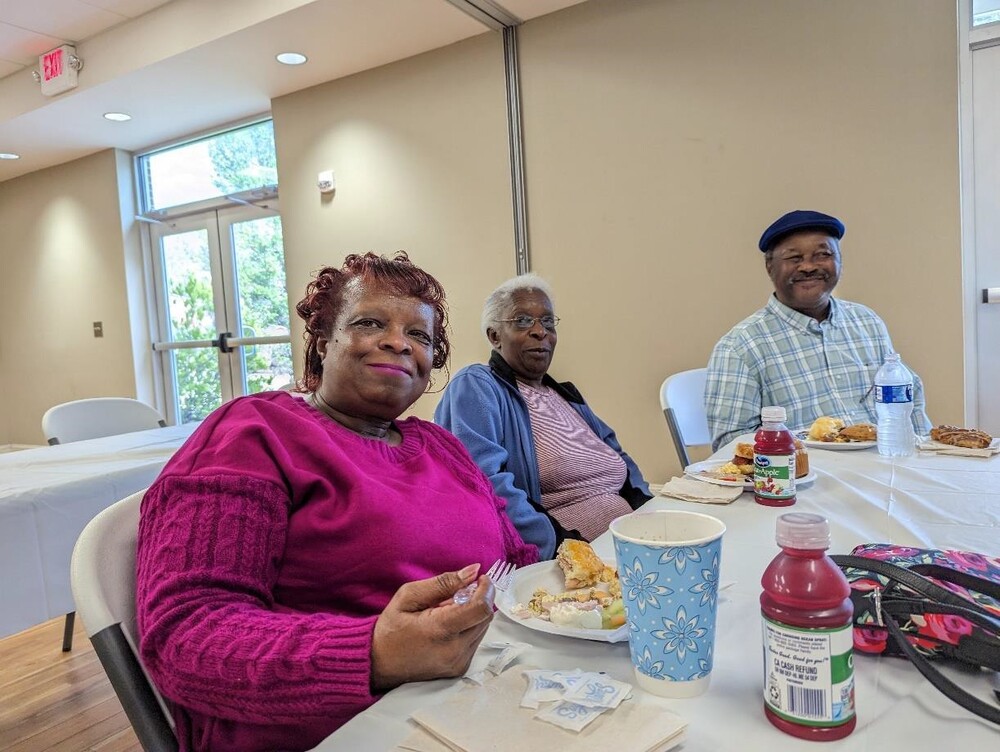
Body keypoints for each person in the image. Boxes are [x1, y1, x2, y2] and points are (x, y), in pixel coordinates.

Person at [135, 252, 538, 752]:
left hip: (481, 692)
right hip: (340, 725)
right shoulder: (254, 435)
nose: (398, 342)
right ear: (324, 344)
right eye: (370, 323)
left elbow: (518, 562)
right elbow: (186, 634)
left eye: (420, 336)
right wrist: (373, 654)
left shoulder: (441, 446)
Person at [434, 273, 651, 560]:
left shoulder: (564, 394)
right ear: (494, 336)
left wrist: (647, 507)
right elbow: (484, 482)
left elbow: (618, 455)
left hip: (630, 540)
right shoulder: (477, 385)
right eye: (523, 321)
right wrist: (564, 546)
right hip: (571, 558)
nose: (540, 331)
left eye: (548, 322)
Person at [705, 209, 932, 450]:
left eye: (822, 255)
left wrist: (923, 457)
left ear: (839, 262)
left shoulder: (867, 322)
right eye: (794, 258)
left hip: (884, 469)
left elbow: (909, 403)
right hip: (805, 479)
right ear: (770, 267)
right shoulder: (741, 347)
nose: (808, 267)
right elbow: (732, 444)